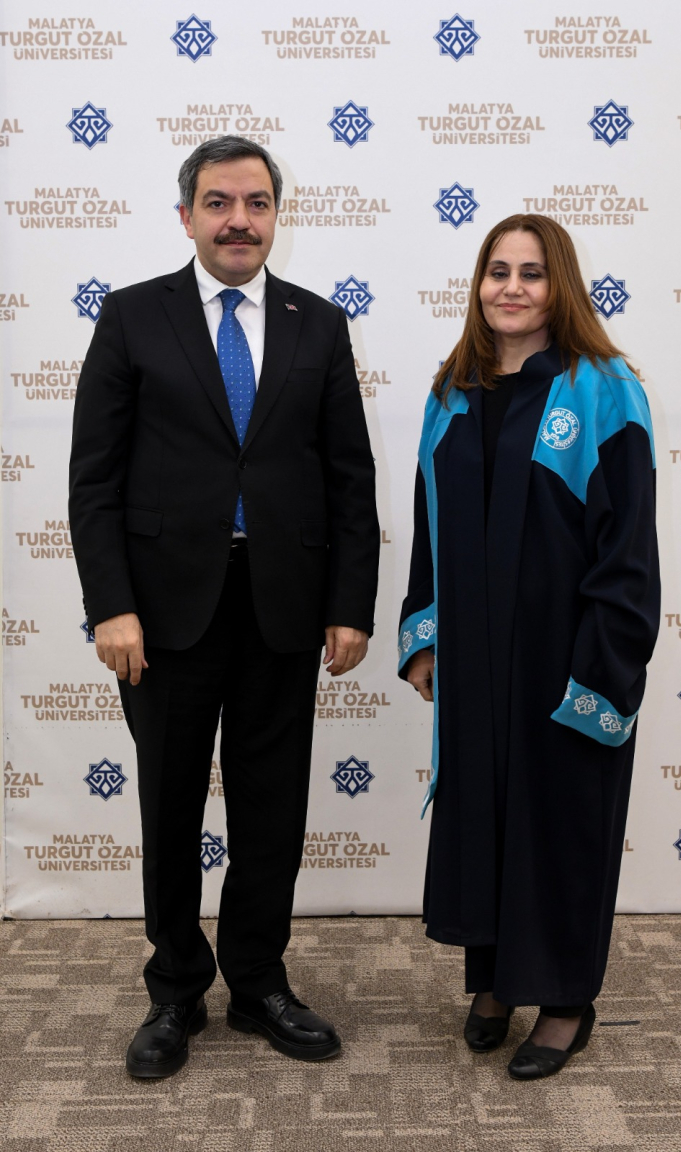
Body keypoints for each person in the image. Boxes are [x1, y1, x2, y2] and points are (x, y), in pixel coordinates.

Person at [69, 136, 379, 1078]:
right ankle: (174, 990)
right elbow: (95, 479)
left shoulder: (318, 324)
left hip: (284, 606)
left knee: (272, 806)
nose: (238, 220)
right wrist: (110, 606)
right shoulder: (132, 316)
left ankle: (257, 982)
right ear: (187, 216)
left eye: (255, 203)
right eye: (218, 203)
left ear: (277, 214)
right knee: (168, 804)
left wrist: (351, 605)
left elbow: (349, 477)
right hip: (162, 616)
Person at [398, 214, 659, 1081]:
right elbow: (429, 524)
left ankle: (565, 1002)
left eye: (532, 274)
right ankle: (495, 982)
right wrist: (425, 634)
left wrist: (603, 668)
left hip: (563, 656)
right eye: (498, 271)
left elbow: (628, 546)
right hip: (475, 655)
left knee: (559, 826)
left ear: (561, 288)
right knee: (486, 815)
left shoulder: (603, 389)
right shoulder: (453, 391)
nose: (511, 288)